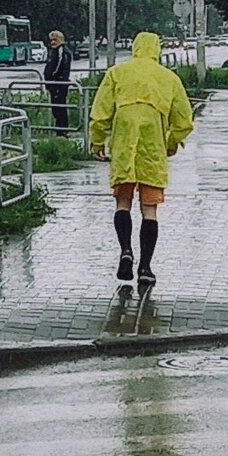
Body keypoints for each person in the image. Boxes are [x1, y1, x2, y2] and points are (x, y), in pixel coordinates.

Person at [90, 31, 194, 290]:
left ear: (135, 48)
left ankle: (125, 250)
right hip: (152, 149)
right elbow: (184, 121)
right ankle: (145, 267)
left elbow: (101, 111)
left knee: (122, 202)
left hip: (124, 146)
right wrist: (170, 144)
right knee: (150, 209)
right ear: (157, 50)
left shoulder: (117, 73)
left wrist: (97, 140)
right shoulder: (169, 79)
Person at [43, 30, 72, 137]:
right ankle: (59, 130)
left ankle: (62, 131)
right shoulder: (54, 51)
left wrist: (53, 77)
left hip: (59, 84)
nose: (53, 42)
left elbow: (59, 67)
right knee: (56, 108)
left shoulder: (62, 52)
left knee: (60, 108)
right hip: (53, 84)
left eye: (55, 40)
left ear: (61, 40)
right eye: (51, 40)